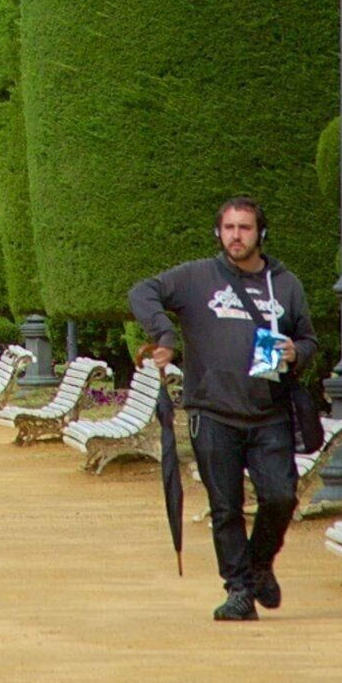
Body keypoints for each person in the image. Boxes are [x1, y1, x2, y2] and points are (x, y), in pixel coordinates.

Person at [130, 196, 321, 622]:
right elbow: (142, 291)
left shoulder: (285, 284)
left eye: (245, 228)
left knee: (280, 496)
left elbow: (309, 340)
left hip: (269, 411)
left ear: (261, 233)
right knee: (225, 506)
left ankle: (259, 564)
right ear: (219, 232)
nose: (236, 235)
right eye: (229, 227)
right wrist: (163, 333)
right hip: (212, 411)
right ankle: (238, 589)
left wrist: (297, 352)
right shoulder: (197, 276)